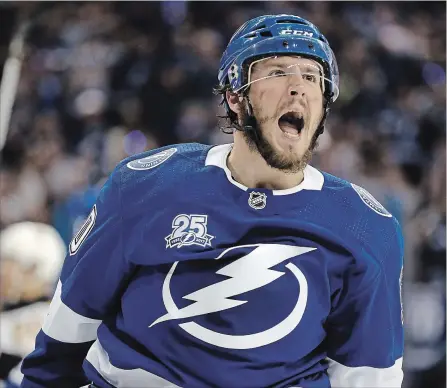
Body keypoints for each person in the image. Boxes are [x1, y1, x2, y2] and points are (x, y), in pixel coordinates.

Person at [20, 14, 404, 388]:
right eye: (276, 72)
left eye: (311, 76)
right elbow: (65, 335)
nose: (298, 87)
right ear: (235, 97)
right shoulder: (148, 184)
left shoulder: (365, 226)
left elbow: (368, 376)